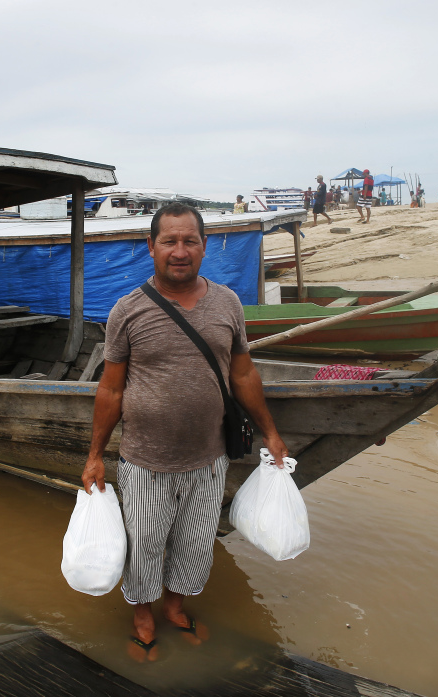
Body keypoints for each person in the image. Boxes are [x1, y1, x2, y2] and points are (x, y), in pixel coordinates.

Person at [82, 202, 288, 663]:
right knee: (145, 545)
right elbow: (111, 390)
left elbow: (243, 374)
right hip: (145, 461)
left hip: (210, 457)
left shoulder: (228, 303)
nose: (180, 251)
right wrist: (95, 455)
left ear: (204, 246)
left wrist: (270, 432)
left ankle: (174, 607)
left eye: (189, 240)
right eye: (169, 241)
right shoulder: (128, 310)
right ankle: (142, 615)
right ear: (151, 246)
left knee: (195, 543)